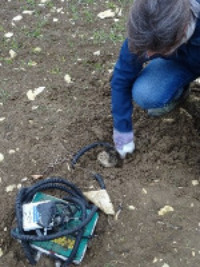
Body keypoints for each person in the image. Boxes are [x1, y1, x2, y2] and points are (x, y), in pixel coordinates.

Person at [111, 0, 200, 159]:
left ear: (183, 30)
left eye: (157, 50)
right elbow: (121, 79)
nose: (148, 56)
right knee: (146, 93)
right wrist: (122, 131)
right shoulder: (147, 23)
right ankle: (180, 91)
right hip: (183, 63)